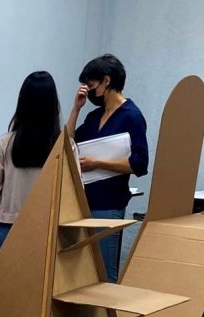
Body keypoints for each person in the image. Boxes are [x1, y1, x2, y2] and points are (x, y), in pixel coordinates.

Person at [68, 53, 149, 282]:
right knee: (84, 272)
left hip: (110, 202)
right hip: (85, 201)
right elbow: (69, 142)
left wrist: (98, 163)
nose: (89, 90)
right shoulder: (95, 116)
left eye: (91, 84)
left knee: (104, 271)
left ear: (106, 81)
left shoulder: (131, 116)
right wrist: (76, 109)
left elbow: (139, 164)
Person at [0, 71, 62, 261]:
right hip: (48, 230)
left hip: (9, 227)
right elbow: (76, 192)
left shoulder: (5, 143)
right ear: (54, 106)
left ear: (22, 103)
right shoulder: (64, 146)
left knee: (4, 279)